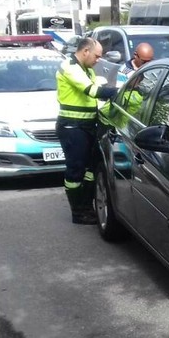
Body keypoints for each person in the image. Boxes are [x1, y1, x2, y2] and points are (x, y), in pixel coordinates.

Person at [56, 37, 116, 225]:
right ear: (85, 52)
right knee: (76, 171)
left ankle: (87, 207)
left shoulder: (87, 69)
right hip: (72, 127)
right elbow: (92, 91)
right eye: (97, 56)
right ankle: (78, 212)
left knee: (90, 169)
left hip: (88, 126)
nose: (98, 60)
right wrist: (120, 91)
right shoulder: (69, 67)